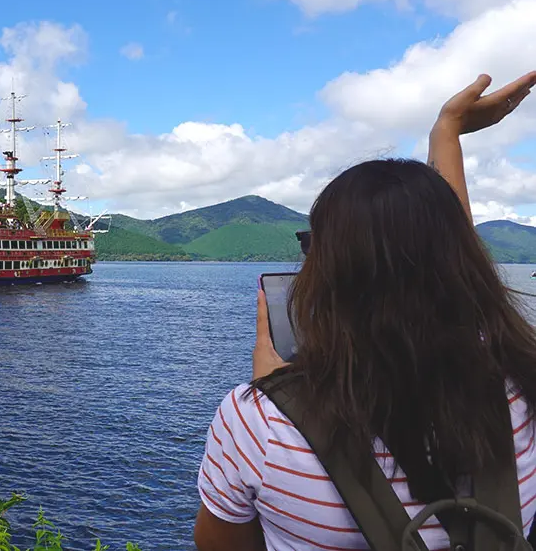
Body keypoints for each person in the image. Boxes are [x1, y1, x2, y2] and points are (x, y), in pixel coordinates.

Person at [193, 71, 536, 550]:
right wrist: (447, 133)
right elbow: (446, 267)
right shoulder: (519, 389)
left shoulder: (260, 426)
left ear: (328, 274)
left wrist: (276, 397)